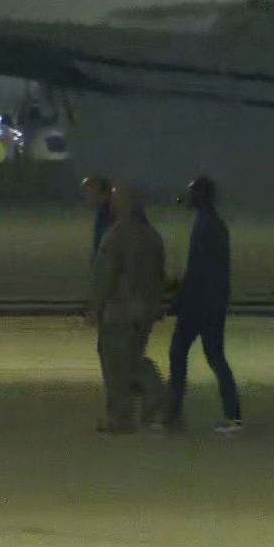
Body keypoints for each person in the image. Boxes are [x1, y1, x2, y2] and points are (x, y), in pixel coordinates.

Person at [165, 177, 243, 434]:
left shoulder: (205, 227)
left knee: (179, 351)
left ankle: (173, 412)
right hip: (213, 303)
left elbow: (198, 272)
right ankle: (232, 415)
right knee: (215, 356)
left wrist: (178, 302)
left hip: (200, 304)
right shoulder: (216, 225)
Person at [88, 185, 166, 434]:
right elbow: (158, 277)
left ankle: (122, 417)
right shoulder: (152, 236)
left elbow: (105, 278)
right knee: (133, 361)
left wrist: (95, 307)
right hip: (144, 312)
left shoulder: (114, 236)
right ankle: (155, 407)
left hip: (119, 312)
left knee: (116, 367)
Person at [83, 176, 114, 265]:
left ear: (103, 193)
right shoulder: (102, 211)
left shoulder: (118, 209)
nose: (86, 196)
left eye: (89, 192)